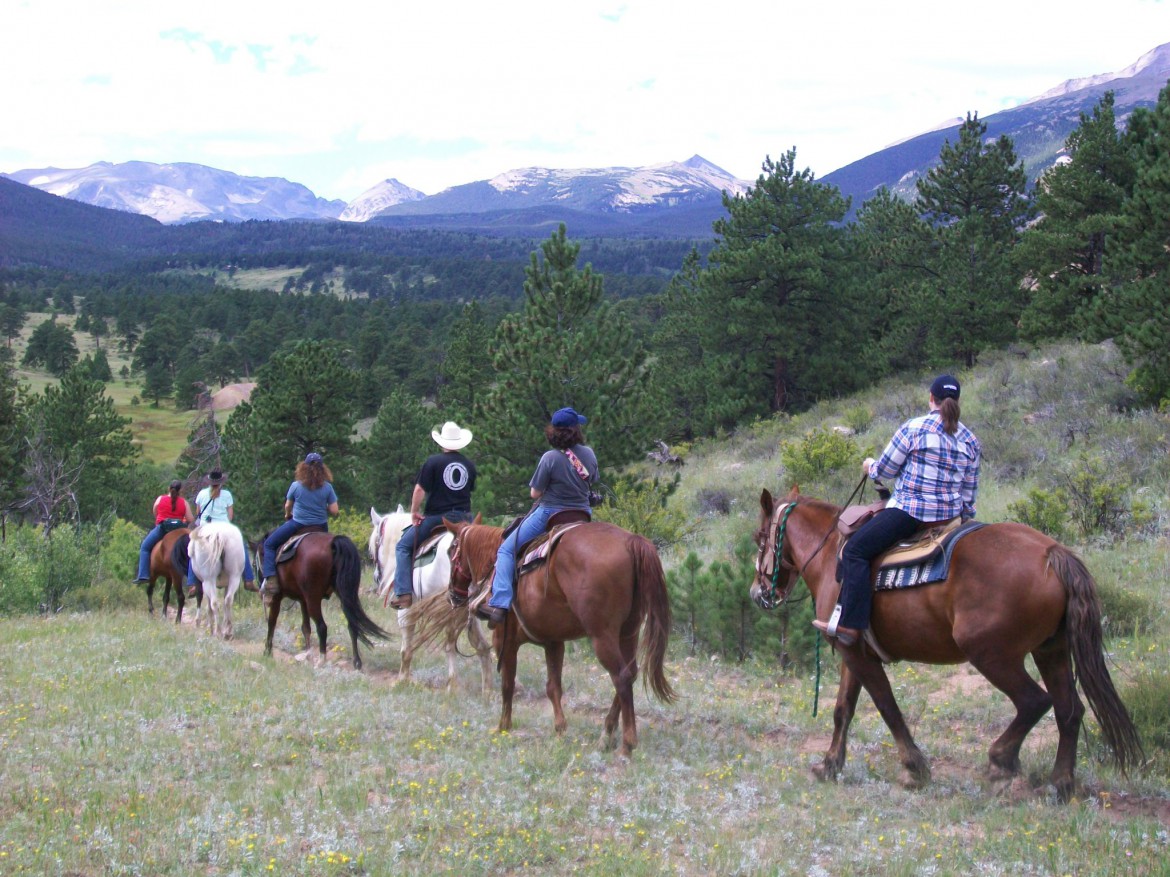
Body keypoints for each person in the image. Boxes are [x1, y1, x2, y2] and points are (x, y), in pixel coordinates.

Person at [814, 374, 982, 647]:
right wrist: (962, 515)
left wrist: (870, 466)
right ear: (957, 401)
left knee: (855, 550)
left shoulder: (913, 428)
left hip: (910, 515)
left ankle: (850, 625)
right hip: (950, 520)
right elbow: (968, 495)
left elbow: (885, 470)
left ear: (931, 398)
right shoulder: (971, 440)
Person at [477, 407, 598, 627]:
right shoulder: (589, 454)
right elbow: (593, 480)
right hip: (582, 513)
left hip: (551, 513)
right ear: (576, 430)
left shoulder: (550, 457)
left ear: (554, 432)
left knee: (506, 549)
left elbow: (535, 493)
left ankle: (500, 603)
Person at [389, 421, 477, 610]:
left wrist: (414, 512)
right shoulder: (469, 465)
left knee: (403, 547)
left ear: (442, 442)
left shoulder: (433, 462)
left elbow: (420, 489)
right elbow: (470, 490)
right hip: (464, 519)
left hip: (438, 518)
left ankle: (404, 594)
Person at [260, 452, 340, 597]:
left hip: (298, 524)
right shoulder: (328, 487)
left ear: (304, 467)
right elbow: (335, 510)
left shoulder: (296, 486)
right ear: (323, 469)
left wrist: (287, 515)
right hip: (321, 527)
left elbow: (287, 506)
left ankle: (271, 578)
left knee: (269, 544)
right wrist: (323, 506)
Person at [186, 468, 256, 594]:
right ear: (221, 482)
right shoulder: (227, 495)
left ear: (209, 482)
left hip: (205, 528)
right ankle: (248, 579)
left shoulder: (201, 494)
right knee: (242, 546)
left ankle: (192, 584)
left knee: (192, 550)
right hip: (224, 528)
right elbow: (230, 516)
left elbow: (198, 513)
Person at [133, 479, 194, 584]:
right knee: (193, 551)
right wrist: (182, 520)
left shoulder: (160, 499)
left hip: (163, 529)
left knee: (145, 547)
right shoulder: (184, 503)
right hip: (179, 531)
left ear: (169, 488)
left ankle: (143, 575)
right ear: (180, 491)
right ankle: (192, 580)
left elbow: (155, 512)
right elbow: (190, 519)